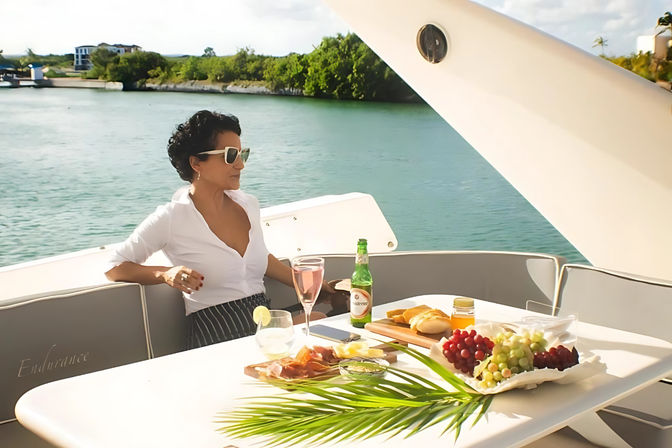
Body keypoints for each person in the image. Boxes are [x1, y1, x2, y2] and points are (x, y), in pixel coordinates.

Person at [105, 110, 339, 349]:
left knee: (323, 324)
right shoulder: (171, 217)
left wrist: (311, 288)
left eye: (242, 154)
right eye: (230, 155)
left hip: (264, 328)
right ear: (196, 163)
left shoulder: (249, 205)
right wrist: (165, 274)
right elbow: (114, 267)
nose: (240, 164)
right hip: (216, 336)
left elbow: (259, 259)